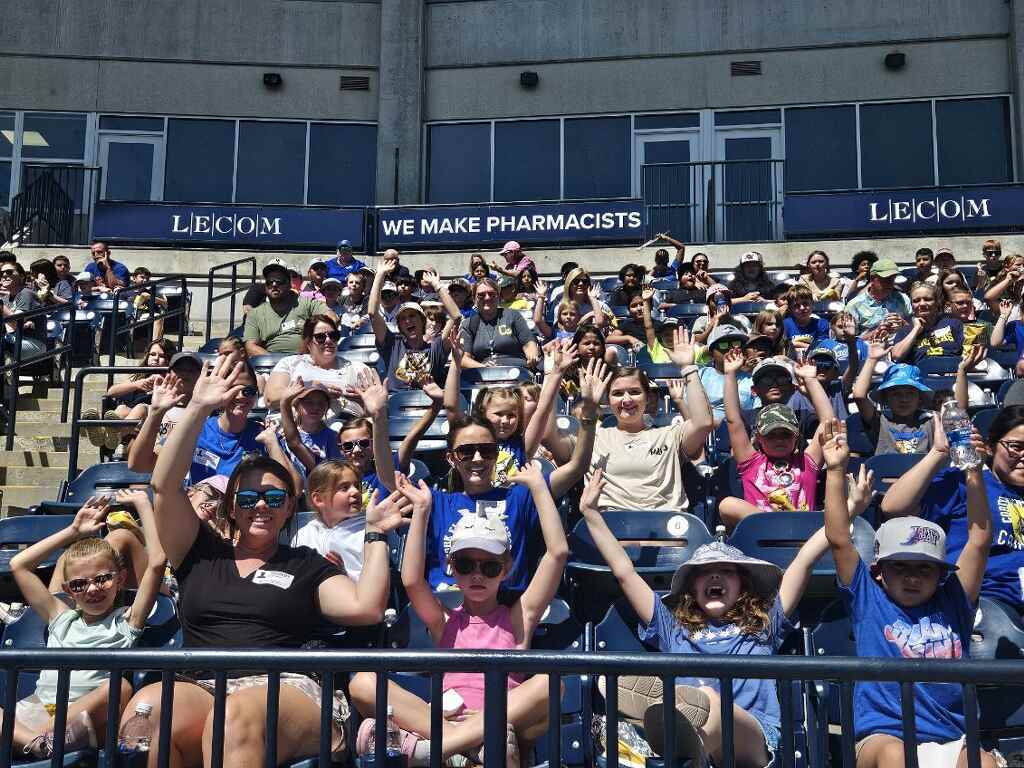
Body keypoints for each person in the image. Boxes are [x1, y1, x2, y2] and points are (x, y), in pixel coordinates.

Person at [122, 355, 410, 766]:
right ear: (232, 509)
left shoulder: (305, 564)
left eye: (275, 499)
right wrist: (198, 409)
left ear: (290, 508)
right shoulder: (198, 552)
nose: (262, 506)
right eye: (249, 498)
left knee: (234, 716)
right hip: (202, 682)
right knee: (146, 713)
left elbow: (365, 608)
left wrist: (376, 533)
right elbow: (164, 486)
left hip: (289, 686)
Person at [579, 468, 834, 767]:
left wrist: (847, 511)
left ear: (742, 586)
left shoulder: (764, 623)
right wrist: (591, 514)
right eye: (704, 573)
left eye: (726, 571)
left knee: (710, 700)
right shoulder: (672, 627)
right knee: (701, 708)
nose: (715, 576)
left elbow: (803, 562)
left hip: (754, 737)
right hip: (696, 738)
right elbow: (624, 572)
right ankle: (678, 736)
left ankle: (660, 728)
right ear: (692, 589)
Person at [350, 463, 566, 766]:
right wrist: (422, 510)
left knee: (549, 681)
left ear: (505, 571)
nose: (477, 575)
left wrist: (539, 488)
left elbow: (557, 553)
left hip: (496, 726)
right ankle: (458, 742)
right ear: (452, 569)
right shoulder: (446, 621)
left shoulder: (519, 617)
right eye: (466, 566)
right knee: (362, 682)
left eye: (489, 567)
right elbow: (412, 580)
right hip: (444, 721)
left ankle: (441, 747)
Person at [821, 419, 998, 768]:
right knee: (894, 757)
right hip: (884, 737)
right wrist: (835, 470)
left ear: (940, 574)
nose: (912, 578)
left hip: (952, 736)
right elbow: (839, 537)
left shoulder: (954, 600)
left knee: (983, 762)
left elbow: (979, 540)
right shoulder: (869, 600)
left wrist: (973, 472)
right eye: (900, 567)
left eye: (924, 569)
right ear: (880, 573)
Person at [377, 358, 605, 592]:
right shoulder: (436, 502)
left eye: (486, 451)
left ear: (496, 455)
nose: (477, 458)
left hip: (507, 611)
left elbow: (577, 467)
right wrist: (378, 418)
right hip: (447, 611)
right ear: (451, 459)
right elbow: (387, 478)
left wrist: (588, 416)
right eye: (466, 452)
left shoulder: (521, 497)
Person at [7, 493, 164, 758]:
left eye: (102, 579)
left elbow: (158, 562)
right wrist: (72, 531)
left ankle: (42, 740)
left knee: (120, 688)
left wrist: (143, 505)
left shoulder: (125, 623)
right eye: (80, 584)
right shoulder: (61, 617)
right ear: (68, 590)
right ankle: (39, 744)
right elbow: (18, 565)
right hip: (39, 712)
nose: (92, 589)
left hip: (83, 721)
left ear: (120, 579)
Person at [881, 406, 1024, 610]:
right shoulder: (967, 482)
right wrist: (938, 453)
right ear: (990, 447)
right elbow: (893, 507)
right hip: (983, 603)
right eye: (1016, 446)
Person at [581, 333, 714, 512]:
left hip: (664, 531)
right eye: (618, 393)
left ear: (648, 398)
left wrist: (689, 367)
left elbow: (704, 422)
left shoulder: (670, 435)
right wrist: (553, 375)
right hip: (611, 531)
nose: (626, 400)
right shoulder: (593, 436)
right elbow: (551, 439)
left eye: (635, 392)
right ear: (608, 399)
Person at [719, 347, 833, 526]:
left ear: (796, 437)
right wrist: (730, 374)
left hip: (800, 537)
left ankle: (780, 523)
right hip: (761, 538)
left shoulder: (807, 463)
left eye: (786, 434)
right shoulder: (751, 463)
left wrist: (811, 380)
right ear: (759, 438)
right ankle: (774, 523)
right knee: (727, 505)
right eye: (771, 435)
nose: (779, 440)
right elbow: (733, 420)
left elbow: (828, 421)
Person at [445, 333, 570, 485]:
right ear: (482, 414)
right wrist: (456, 363)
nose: (505, 420)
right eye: (498, 414)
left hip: (510, 505)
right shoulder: (472, 442)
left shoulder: (523, 445)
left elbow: (543, 410)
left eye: (511, 415)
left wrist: (554, 373)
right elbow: (451, 407)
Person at [368, 255, 451, 392]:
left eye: (412, 316)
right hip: (395, 406)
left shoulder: (435, 347)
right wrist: (380, 275)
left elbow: (456, 317)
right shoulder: (392, 344)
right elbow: (372, 313)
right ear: (399, 325)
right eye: (402, 318)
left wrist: (437, 285)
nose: (408, 321)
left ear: (422, 321)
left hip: (429, 403)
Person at [263, 315, 374, 417]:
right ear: (308, 342)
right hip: (296, 431)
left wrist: (362, 401)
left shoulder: (357, 368)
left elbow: (376, 410)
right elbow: (270, 399)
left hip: (344, 430)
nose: (328, 340)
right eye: (320, 337)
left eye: (333, 335)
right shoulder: (290, 363)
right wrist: (311, 391)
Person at [81, 337, 177, 452]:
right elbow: (111, 392)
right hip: (131, 419)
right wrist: (137, 384)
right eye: (152, 354)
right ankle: (106, 435)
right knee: (121, 409)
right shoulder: (139, 375)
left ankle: (110, 435)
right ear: (147, 356)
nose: (156, 358)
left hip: (153, 419)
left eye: (161, 356)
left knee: (140, 408)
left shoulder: (172, 377)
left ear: (169, 359)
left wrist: (161, 383)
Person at [126, 351, 204, 473]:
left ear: (200, 376)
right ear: (169, 373)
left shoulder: (209, 411)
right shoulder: (154, 408)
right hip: (153, 473)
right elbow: (134, 464)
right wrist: (156, 413)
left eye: (191, 370)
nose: (184, 374)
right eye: (179, 369)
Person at [853, 342, 935, 455]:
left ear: (920, 398)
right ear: (885, 398)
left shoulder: (931, 421)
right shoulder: (880, 422)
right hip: (888, 472)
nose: (904, 399)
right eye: (896, 394)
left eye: (910, 393)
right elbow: (859, 395)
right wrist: (871, 359)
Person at [290, 460, 367, 577]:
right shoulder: (304, 534)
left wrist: (341, 576)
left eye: (357, 486)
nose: (356, 492)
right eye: (344, 488)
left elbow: (375, 586)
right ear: (319, 499)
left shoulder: (366, 533)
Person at [244, 260, 333, 356]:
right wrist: (279, 363)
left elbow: (332, 318)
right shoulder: (255, 314)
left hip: (306, 359)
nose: (274, 285)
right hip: (270, 363)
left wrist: (308, 339)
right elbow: (250, 346)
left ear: (289, 285)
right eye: (270, 282)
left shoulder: (305, 303)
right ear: (265, 286)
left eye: (279, 281)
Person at [458, 278, 540, 369]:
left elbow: (528, 343)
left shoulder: (513, 315)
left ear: (498, 297)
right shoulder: (468, 324)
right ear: (474, 299)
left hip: (516, 370)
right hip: (483, 375)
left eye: (492, 294)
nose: (487, 298)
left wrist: (532, 357)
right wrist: (483, 367)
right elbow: (463, 359)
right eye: (481, 295)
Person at [275, 378, 343, 478]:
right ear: (297, 405)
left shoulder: (332, 437)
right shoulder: (282, 434)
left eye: (321, 403)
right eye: (309, 402)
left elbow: (334, 473)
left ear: (327, 407)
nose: (315, 407)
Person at [891, 281, 964, 363]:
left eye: (928, 299)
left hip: (951, 372)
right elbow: (896, 355)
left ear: (937, 302)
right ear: (911, 305)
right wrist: (916, 330)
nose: (922, 304)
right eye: (916, 301)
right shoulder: (906, 329)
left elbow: (966, 352)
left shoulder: (953, 323)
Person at [699, 324, 757, 422]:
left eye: (736, 343)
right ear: (711, 353)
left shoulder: (753, 379)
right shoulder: (701, 375)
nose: (731, 349)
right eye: (723, 345)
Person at [846, 258, 911, 333]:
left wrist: (904, 324)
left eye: (893, 279)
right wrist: (877, 330)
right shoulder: (854, 305)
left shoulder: (902, 298)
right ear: (873, 278)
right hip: (869, 344)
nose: (890, 283)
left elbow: (915, 328)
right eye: (886, 279)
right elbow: (849, 340)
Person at [0, 261, 47, 359]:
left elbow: (17, 323)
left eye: (9, 272)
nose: (4, 275)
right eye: (1, 273)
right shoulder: (5, 299)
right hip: (12, 339)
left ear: (21, 276)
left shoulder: (26, 293)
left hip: (33, 342)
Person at [783, 284, 830, 354]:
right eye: (797, 306)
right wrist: (810, 347)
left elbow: (822, 349)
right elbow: (784, 348)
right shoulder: (784, 324)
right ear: (790, 308)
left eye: (805, 304)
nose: (802, 308)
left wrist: (795, 344)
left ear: (812, 304)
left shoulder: (822, 324)